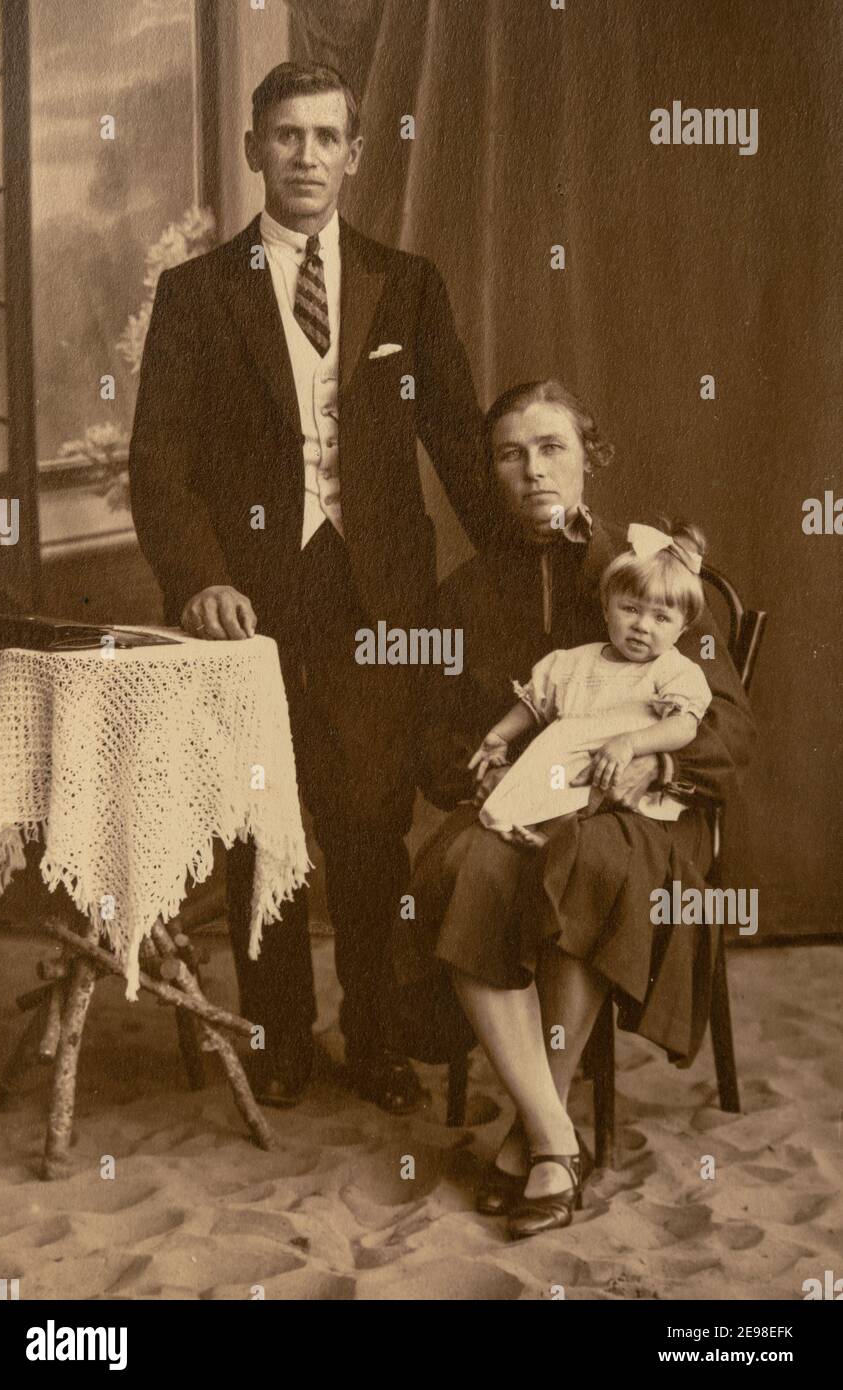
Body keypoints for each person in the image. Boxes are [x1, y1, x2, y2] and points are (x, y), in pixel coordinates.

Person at [128, 62, 491, 1113]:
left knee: (370, 826)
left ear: (354, 154)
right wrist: (198, 580)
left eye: (327, 137)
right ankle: (281, 1032)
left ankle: (370, 1036)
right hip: (250, 600)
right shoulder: (196, 295)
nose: (306, 157)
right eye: (286, 137)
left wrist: (535, 553)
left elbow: (460, 443)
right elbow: (159, 464)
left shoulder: (407, 283)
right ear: (255, 150)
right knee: (258, 824)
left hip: (378, 599)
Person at [401, 378, 755, 1239]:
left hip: (633, 814)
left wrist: (643, 758)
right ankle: (555, 1137)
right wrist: (472, 771)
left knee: (588, 860)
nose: (532, 470)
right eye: (509, 454)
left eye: (551, 447)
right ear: (489, 472)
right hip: (520, 808)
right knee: (460, 863)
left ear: (586, 456)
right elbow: (436, 737)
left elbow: (728, 729)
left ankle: (534, 1131)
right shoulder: (467, 593)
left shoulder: (648, 571)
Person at [474, 521, 714, 840]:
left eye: (661, 617)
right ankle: (534, 829)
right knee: (533, 784)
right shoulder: (574, 661)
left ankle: (554, 835)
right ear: (606, 608)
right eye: (630, 609)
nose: (642, 625)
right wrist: (499, 736)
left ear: (682, 629)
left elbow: (685, 724)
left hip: (616, 774)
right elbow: (534, 703)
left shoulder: (672, 670)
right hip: (563, 761)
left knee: (587, 796)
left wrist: (631, 743)